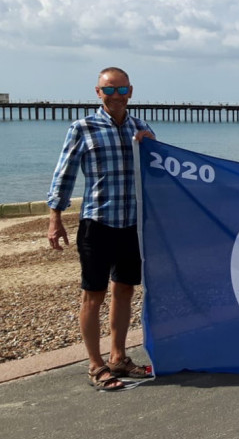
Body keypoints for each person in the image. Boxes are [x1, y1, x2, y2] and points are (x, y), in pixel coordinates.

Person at [47, 67, 156, 391]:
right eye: (109, 91)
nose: (116, 97)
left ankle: (119, 357)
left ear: (131, 92)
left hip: (133, 225)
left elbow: (158, 173)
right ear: (98, 93)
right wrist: (55, 217)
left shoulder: (141, 128)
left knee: (124, 290)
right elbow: (64, 173)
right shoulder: (83, 128)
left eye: (122, 91)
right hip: (97, 223)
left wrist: (152, 147)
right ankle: (96, 365)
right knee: (92, 295)